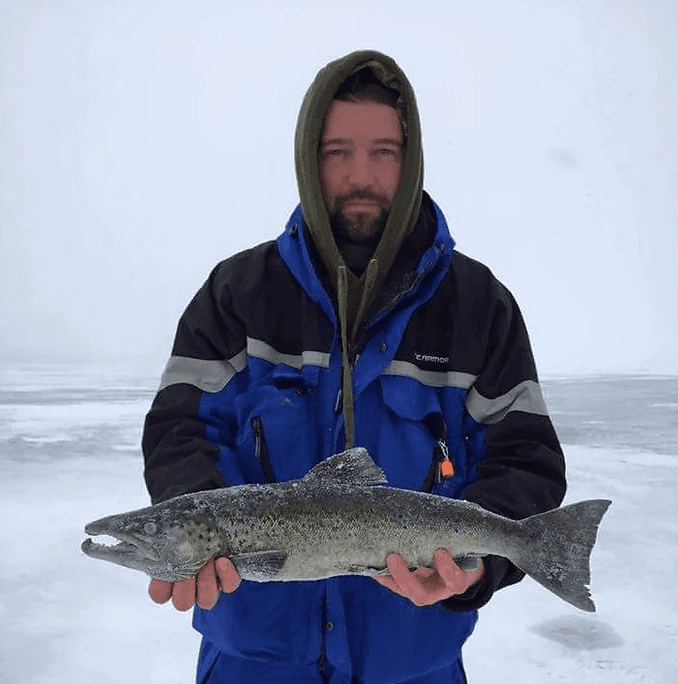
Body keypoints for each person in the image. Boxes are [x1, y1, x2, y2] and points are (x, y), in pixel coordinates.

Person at [142, 50, 566, 684]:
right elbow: (181, 431)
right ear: (310, 162)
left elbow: (526, 459)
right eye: (338, 152)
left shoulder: (479, 306)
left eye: (383, 153)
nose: (360, 176)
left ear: (411, 157)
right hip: (250, 661)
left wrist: (480, 564)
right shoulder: (236, 293)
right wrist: (192, 529)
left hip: (415, 661)